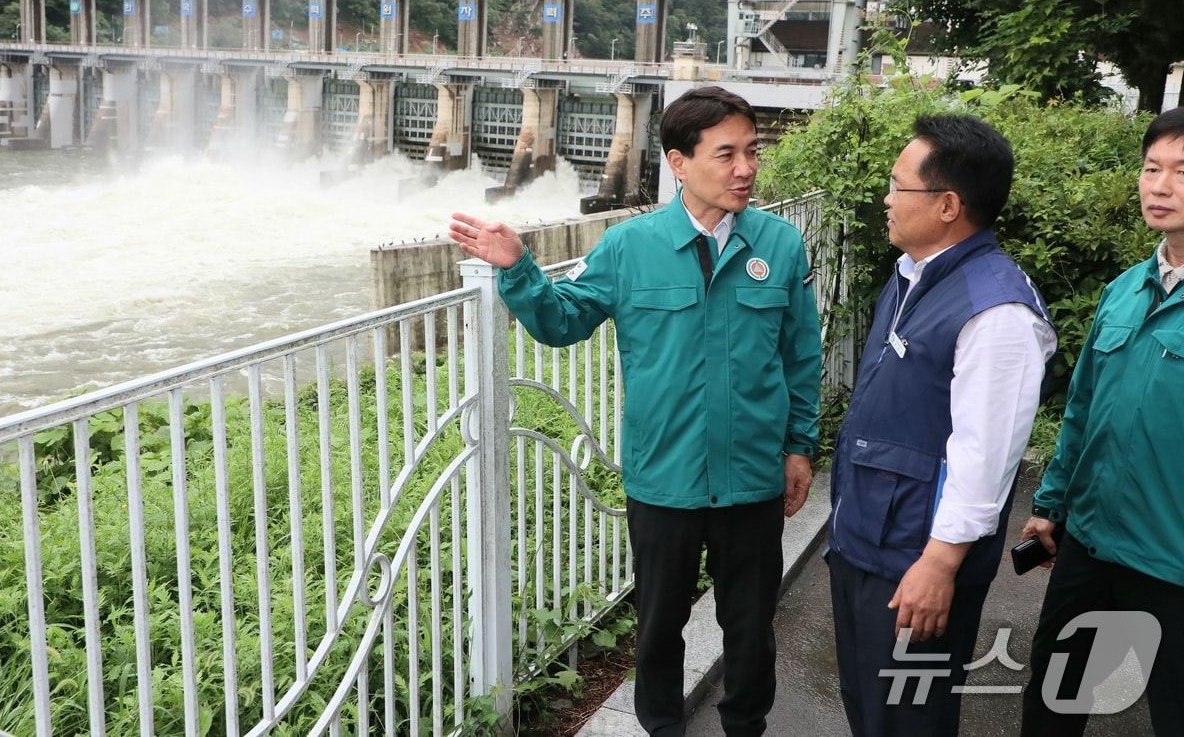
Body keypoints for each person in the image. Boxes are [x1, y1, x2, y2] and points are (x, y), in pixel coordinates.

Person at [449, 85, 821, 737]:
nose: (745, 169)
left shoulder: (780, 245)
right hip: (664, 477)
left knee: (750, 626)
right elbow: (562, 321)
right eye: (726, 154)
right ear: (679, 162)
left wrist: (799, 446)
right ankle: (661, 727)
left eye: (752, 152)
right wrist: (519, 268)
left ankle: (745, 725)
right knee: (658, 626)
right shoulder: (629, 246)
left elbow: (800, 356)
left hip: (753, 474)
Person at [824, 114, 1057, 737]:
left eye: (898, 186)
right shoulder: (912, 276)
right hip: (867, 544)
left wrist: (939, 564)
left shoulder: (997, 312)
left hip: (915, 561)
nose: (886, 199)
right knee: (869, 709)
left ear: (948, 205)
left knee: (908, 720)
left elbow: (985, 456)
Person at [1019, 107, 1184, 736]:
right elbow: (1082, 409)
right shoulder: (1123, 292)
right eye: (1151, 168)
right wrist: (1050, 504)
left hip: (1171, 565)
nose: (1160, 186)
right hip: (1089, 546)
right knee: (1053, 701)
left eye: (1181, 172)